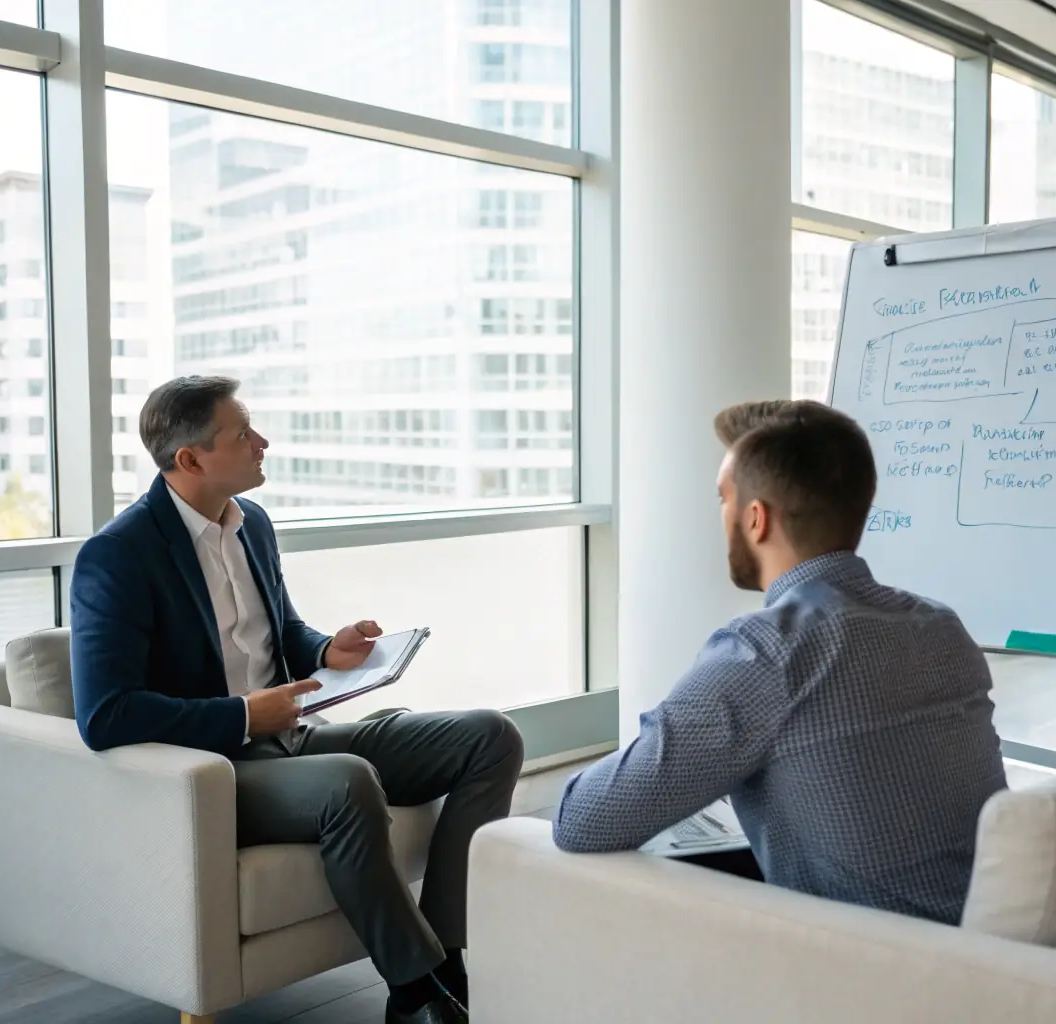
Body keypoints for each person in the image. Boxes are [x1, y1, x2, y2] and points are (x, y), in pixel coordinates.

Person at [70, 375, 521, 1023]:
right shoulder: (117, 556)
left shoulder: (251, 522)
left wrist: (324, 651)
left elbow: (278, 631)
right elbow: (106, 715)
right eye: (242, 432)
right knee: (347, 782)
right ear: (190, 459)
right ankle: (419, 992)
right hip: (219, 770)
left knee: (488, 735)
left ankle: (445, 956)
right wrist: (245, 716)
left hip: (294, 737)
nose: (263, 441)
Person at [552, 399, 1007, 925]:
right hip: (985, 951)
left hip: (864, 973)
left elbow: (582, 821)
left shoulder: (764, 653)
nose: (720, 516)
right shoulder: (941, 626)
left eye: (722, 499)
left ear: (755, 518)